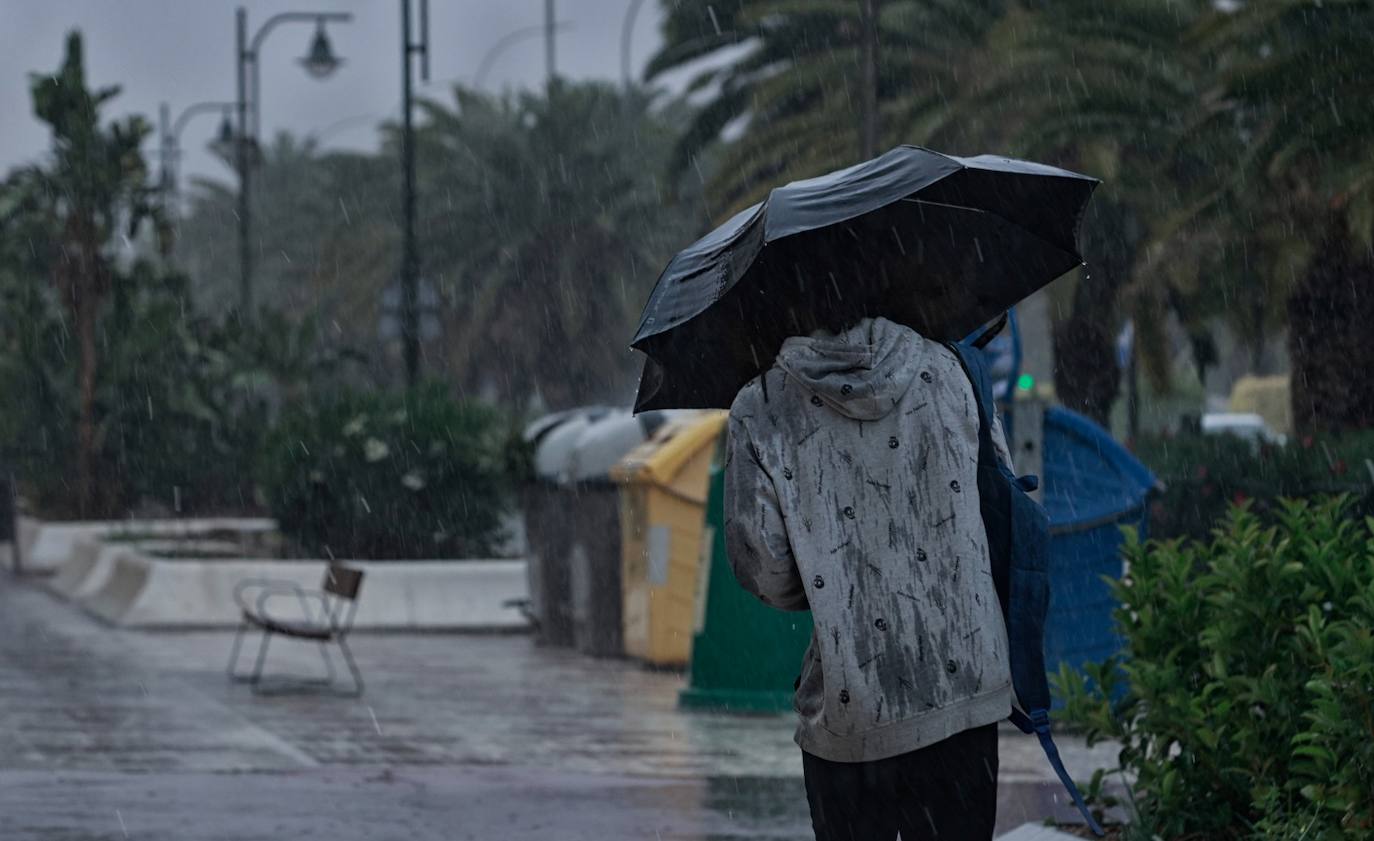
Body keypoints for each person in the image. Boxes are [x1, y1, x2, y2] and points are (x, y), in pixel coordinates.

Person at [723, 311, 1015, 841]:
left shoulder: (761, 407)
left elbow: (760, 564)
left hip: (851, 709)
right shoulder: (953, 372)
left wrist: (831, 585)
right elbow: (1002, 503)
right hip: (964, 694)